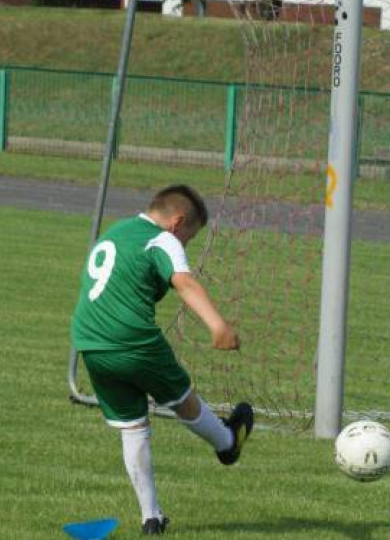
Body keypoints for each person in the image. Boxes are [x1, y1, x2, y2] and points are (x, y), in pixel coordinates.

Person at [71, 184, 254, 536]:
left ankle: (151, 517)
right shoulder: (162, 239)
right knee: (184, 401)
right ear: (177, 222)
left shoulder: (117, 231)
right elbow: (183, 282)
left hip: (90, 343)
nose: (185, 245)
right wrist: (218, 326)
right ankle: (228, 444)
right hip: (134, 341)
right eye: (189, 238)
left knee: (133, 426)